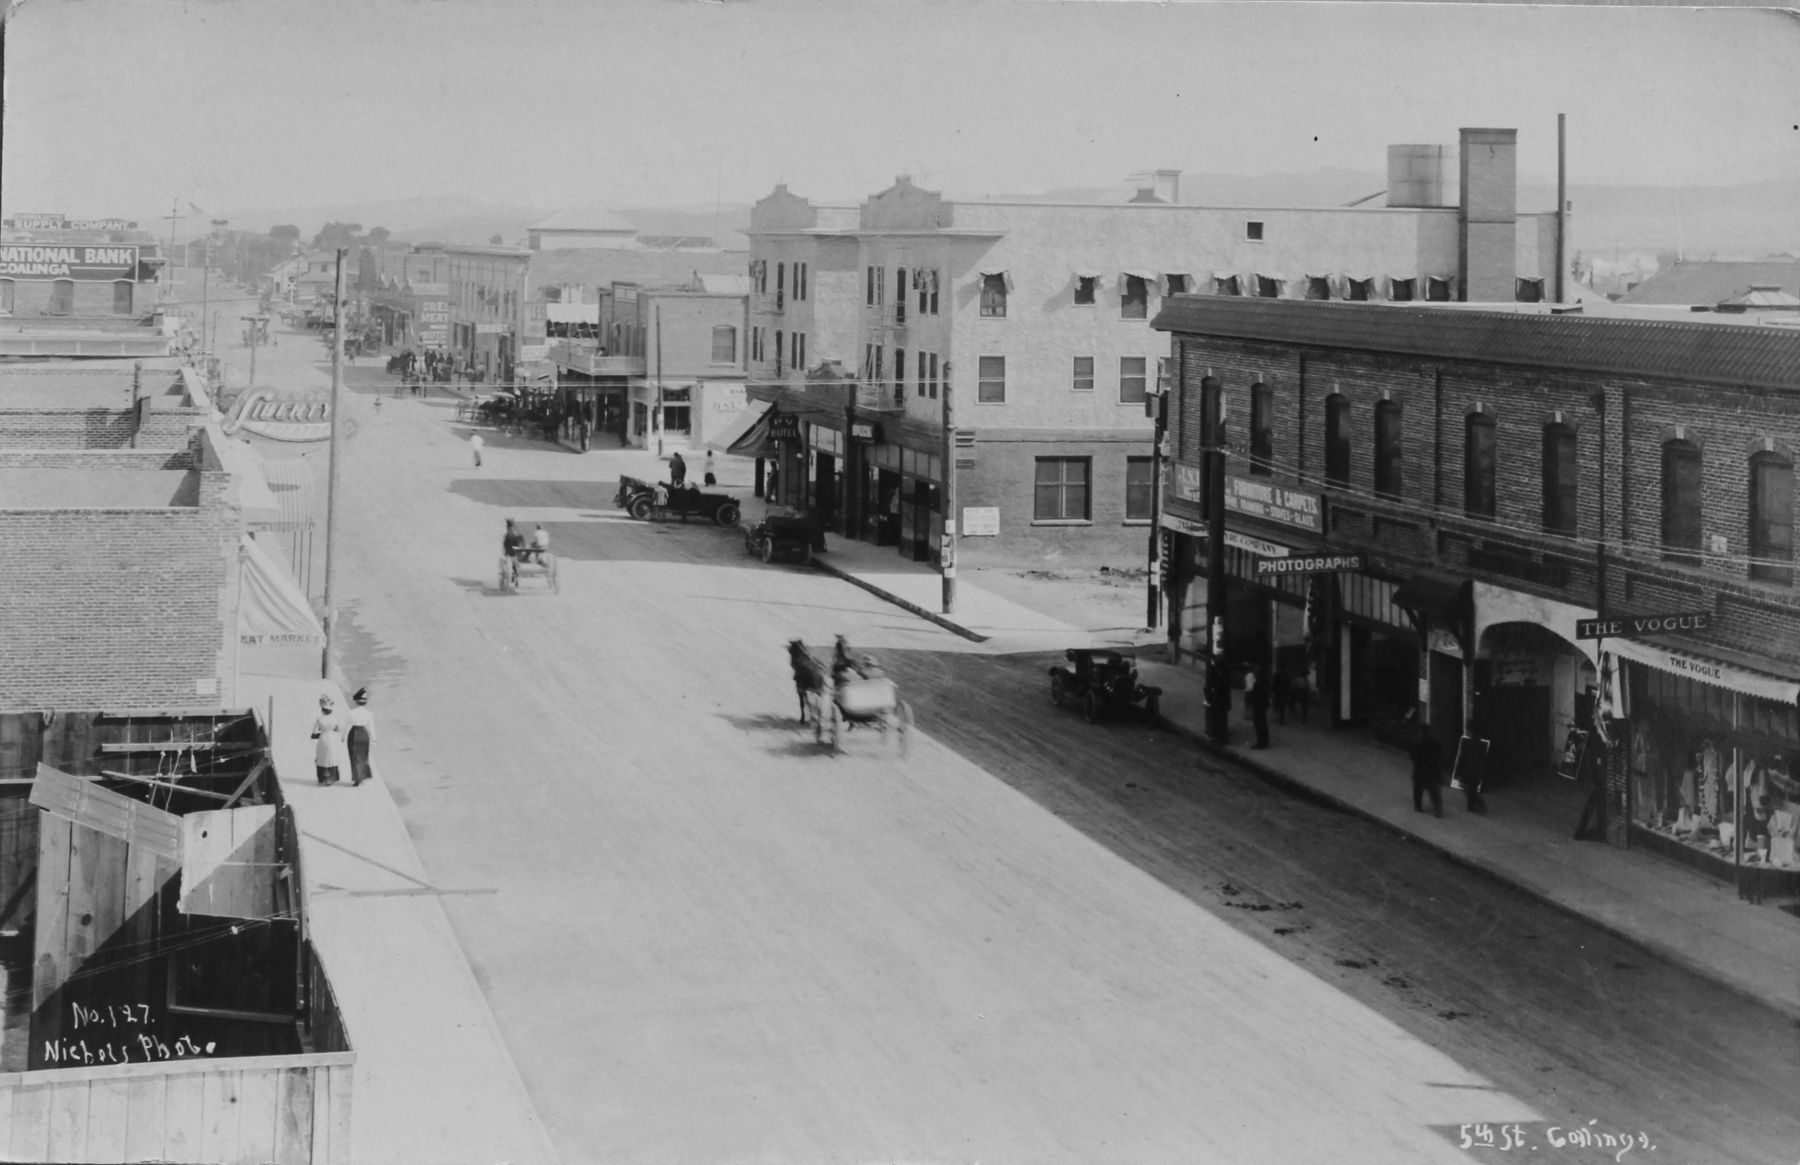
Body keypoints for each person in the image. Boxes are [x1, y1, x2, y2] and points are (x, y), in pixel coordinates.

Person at [310, 694, 345, 786]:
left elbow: (314, 733)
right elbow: (339, 729)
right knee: (332, 758)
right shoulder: (336, 718)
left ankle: (323, 777)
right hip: (333, 738)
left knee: (322, 758)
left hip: (323, 738)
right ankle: (331, 778)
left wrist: (320, 733)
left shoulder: (319, 718)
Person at [345, 688, 375, 786]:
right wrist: (373, 739)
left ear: (356, 701)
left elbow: (346, 725)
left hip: (354, 733)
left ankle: (356, 778)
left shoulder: (351, 712)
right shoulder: (369, 714)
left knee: (354, 756)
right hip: (364, 734)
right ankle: (362, 776)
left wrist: (342, 736)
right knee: (363, 756)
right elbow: (371, 728)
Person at [1412, 730, 1445, 817]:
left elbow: (1414, 756)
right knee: (1434, 791)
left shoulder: (1419, 742)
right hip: (1432, 771)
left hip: (1421, 771)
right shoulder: (1434, 743)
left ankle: (1418, 806)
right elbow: (1440, 755)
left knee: (1418, 789)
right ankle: (1438, 808)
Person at [1245, 664, 1271, 749]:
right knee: (1263, 723)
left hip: (1258, 706)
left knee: (1259, 724)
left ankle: (1261, 742)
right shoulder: (1265, 683)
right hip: (1262, 706)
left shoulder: (1258, 684)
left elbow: (1253, 694)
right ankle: (1264, 741)